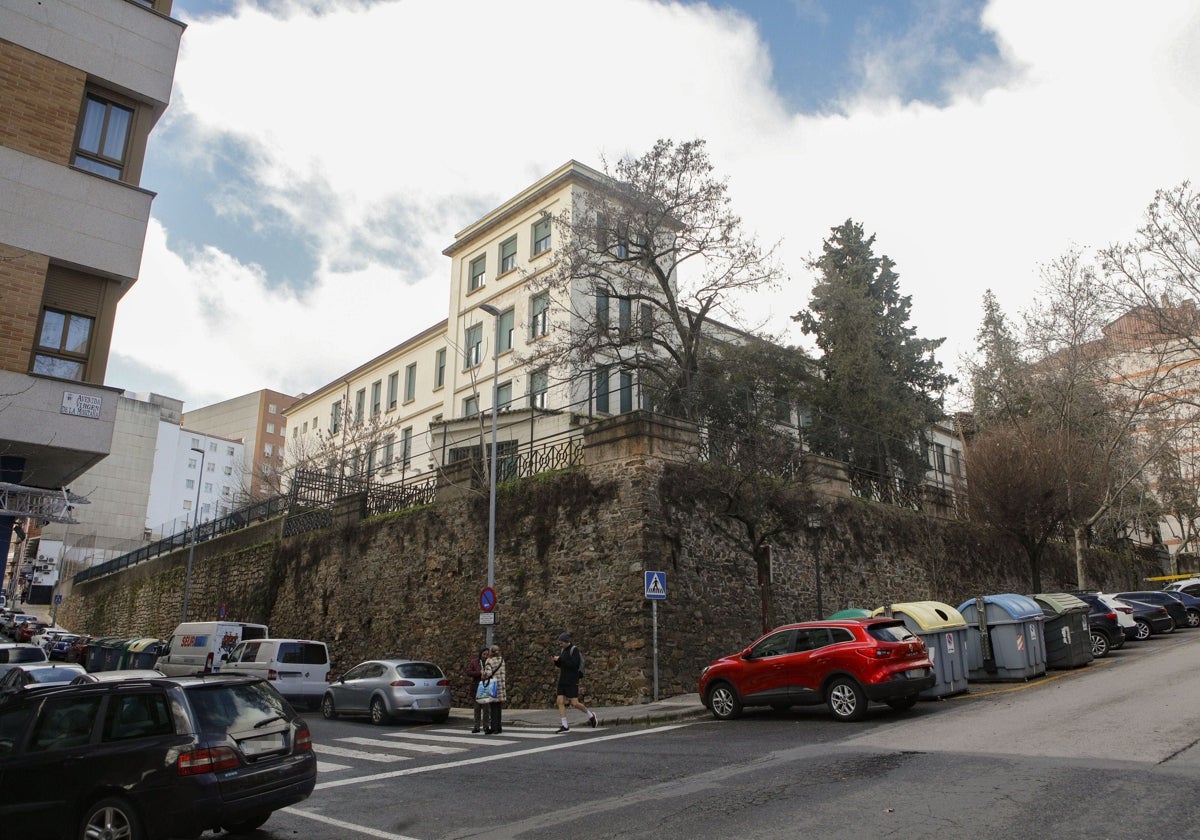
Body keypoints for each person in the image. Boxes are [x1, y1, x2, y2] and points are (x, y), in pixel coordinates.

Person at [553, 632, 596, 733]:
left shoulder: (574, 650)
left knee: (574, 703)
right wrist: (556, 661)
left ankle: (591, 715)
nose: (560, 645)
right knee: (560, 701)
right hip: (563, 679)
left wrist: (561, 659)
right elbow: (561, 665)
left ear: (567, 642)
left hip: (572, 680)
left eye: (561, 643)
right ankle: (565, 726)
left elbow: (573, 665)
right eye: (559, 643)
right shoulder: (563, 650)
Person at [480, 642, 506, 734]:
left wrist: (483, 673)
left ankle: (494, 728)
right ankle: (499, 727)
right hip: (501, 686)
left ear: (491, 652)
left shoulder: (489, 661)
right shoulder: (502, 660)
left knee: (493, 708)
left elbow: (488, 673)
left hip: (493, 686)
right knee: (498, 708)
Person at [467, 647, 488, 733]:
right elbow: (468, 672)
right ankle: (477, 726)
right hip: (477, 687)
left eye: (487, 655)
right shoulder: (474, 662)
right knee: (477, 708)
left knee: (486, 709)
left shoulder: (489, 662)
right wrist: (479, 673)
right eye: (484, 654)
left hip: (486, 687)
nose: (485, 656)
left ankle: (486, 726)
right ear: (481, 654)